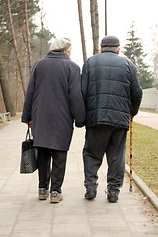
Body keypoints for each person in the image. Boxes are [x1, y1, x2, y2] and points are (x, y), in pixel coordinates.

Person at [21, 37, 86, 203]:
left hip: (39, 117)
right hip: (62, 118)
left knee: (42, 152)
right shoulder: (72, 67)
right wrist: (80, 119)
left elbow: (30, 92)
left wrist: (27, 116)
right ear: (65, 50)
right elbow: (75, 96)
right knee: (59, 153)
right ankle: (55, 191)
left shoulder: (39, 64)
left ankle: (42, 189)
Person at [81, 36, 142, 203]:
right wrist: (132, 113)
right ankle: (113, 191)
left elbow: (82, 91)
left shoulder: (90, 63)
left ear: (101, 48)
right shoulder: (128, 65)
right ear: (118, 49)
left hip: (96, 117)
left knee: (92, 153)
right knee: (116, 156)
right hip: (119, 120)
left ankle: (91, 187)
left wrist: (83, 116)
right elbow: (137, 93)